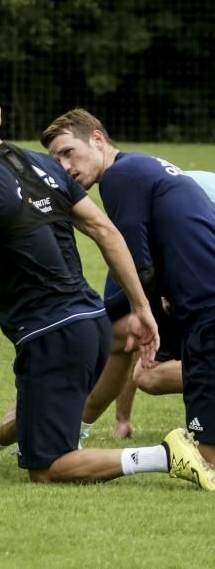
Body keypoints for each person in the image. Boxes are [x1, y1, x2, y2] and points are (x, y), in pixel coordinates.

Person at [0, 76, 214, 489]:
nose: (65, 162)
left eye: (70, 151)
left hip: (61, 331)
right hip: (98, 321)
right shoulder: (48, 165)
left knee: (48, 467)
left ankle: (161, 455)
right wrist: (139, 310)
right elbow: (106, 232)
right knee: (74, 391)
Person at [41, 110, 215, 468]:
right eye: (55, 159)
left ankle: (63, 431)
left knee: (205, 459)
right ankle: (74, 427)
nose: (64, 166)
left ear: (98, 139)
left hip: (206, 311)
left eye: (68, 152)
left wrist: (119, 311)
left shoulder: (121, 177)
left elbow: (138, 264)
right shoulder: (139, 168)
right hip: (196, 307)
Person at [79, 170, 215, 441]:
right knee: (146, 371)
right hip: (163, 255)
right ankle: (80, 428)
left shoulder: (178, 217)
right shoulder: (133, 233)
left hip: (192, 270)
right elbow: (124, 338)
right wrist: (122, 419)